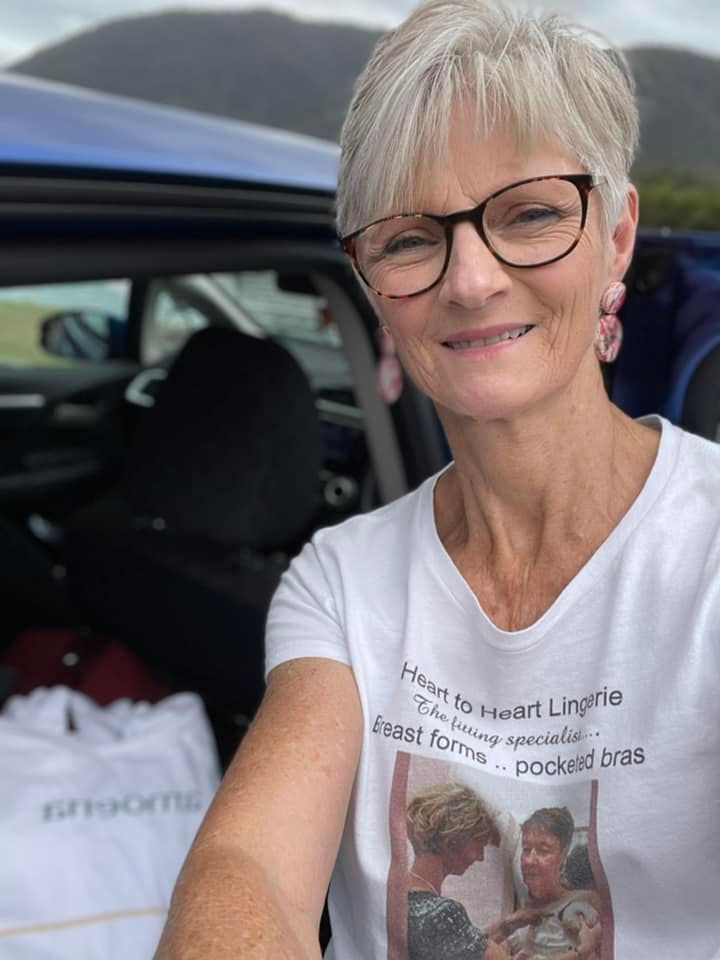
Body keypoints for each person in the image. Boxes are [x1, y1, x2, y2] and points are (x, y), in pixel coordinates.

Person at [155, 1, 720, 958]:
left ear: (617, 237)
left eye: (532, 213)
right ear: (372, 286)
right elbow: (248, 870)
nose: (470, 279)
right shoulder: (340, 578)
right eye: (411, 237)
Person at [405, 782, 513, 960]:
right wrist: (576, 953)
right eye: (479, 845)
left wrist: (508, 925)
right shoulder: (441, 913)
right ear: (453, 841)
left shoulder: (402, 899)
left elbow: (461, 944)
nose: (480, 857)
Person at [505, 809, 600, 960]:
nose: (530, 860)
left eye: (543, 851)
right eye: (526, 849)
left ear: (563, 855)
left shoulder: (583, 901)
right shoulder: (520, 914)